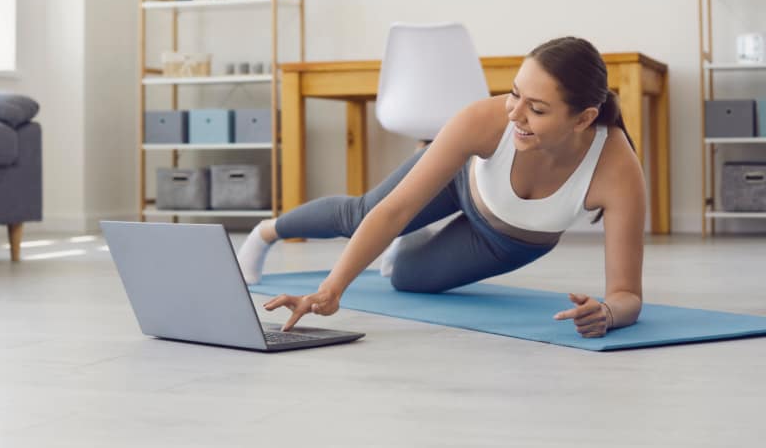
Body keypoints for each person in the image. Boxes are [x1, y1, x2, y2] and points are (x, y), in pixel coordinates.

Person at [237, 36, 646, 338]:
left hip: (510, 242)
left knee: (406, 278)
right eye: (515, 94)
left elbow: (626, 293)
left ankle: (405, 244)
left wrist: (608, 314)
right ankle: (265, 232)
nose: (515, 114)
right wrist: (330, 290)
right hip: (459, 180)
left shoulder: (617, 170)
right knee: (363, 214)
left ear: (583, 118)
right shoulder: (484, 120)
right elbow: (393, 211)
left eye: (536, 109)